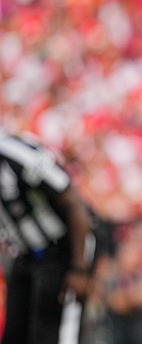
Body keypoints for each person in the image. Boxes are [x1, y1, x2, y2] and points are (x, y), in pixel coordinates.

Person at [0, 129, 95, 344]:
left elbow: (73, 202)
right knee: (15, 336)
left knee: (52, 336)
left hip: (61, 251)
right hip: (24, 255)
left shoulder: (16, 155)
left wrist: (79, 268)